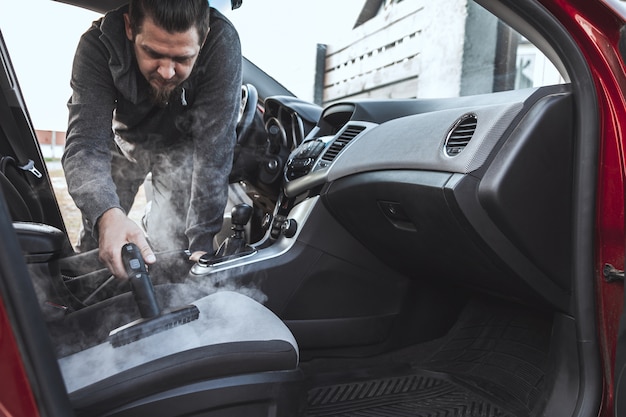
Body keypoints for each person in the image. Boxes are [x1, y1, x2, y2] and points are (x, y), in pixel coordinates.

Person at [62, 0, 242, 280]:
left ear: (203, 39)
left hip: (179, 153)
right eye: (153, 53)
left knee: (169, 249)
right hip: (123, 146)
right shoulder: (98, 45)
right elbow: (85, 146)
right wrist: (107, 214)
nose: (167, 72)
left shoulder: (222, 43)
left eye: (182, 58)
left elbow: (213, 152)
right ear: (130, 27)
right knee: (99, 239)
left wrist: (202, 243)